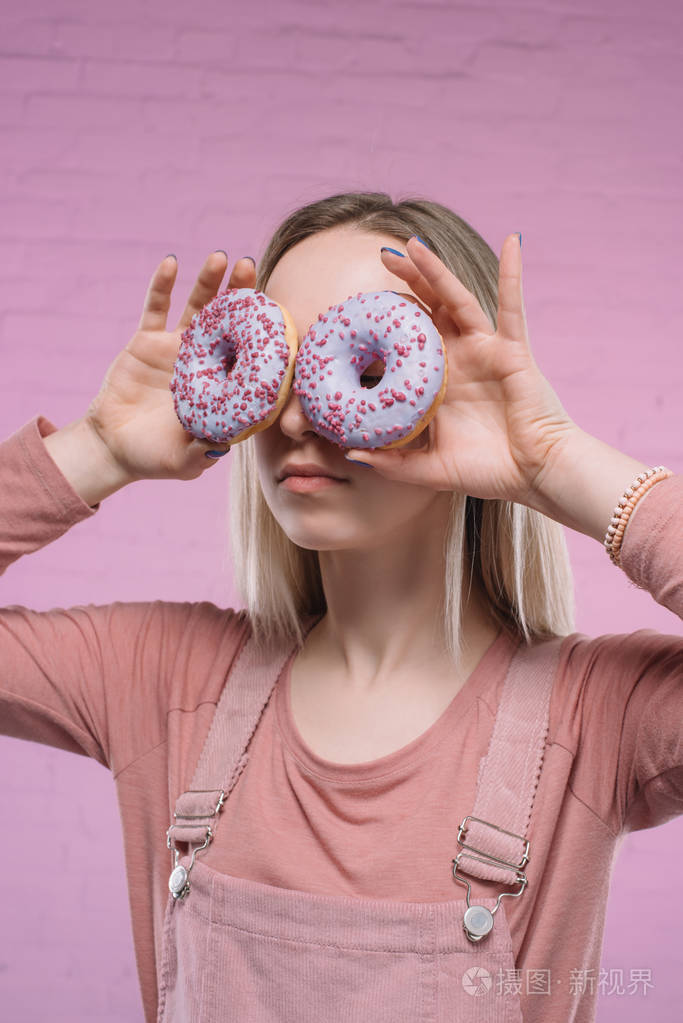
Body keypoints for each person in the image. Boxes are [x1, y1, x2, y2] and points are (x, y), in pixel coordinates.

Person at [1, 190, 681, 1023]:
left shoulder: (597, 722)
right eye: (280, 364)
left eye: (353, 366)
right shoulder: (164, 680)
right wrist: (97, 449)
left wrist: (553, 463)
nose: (292, 415)